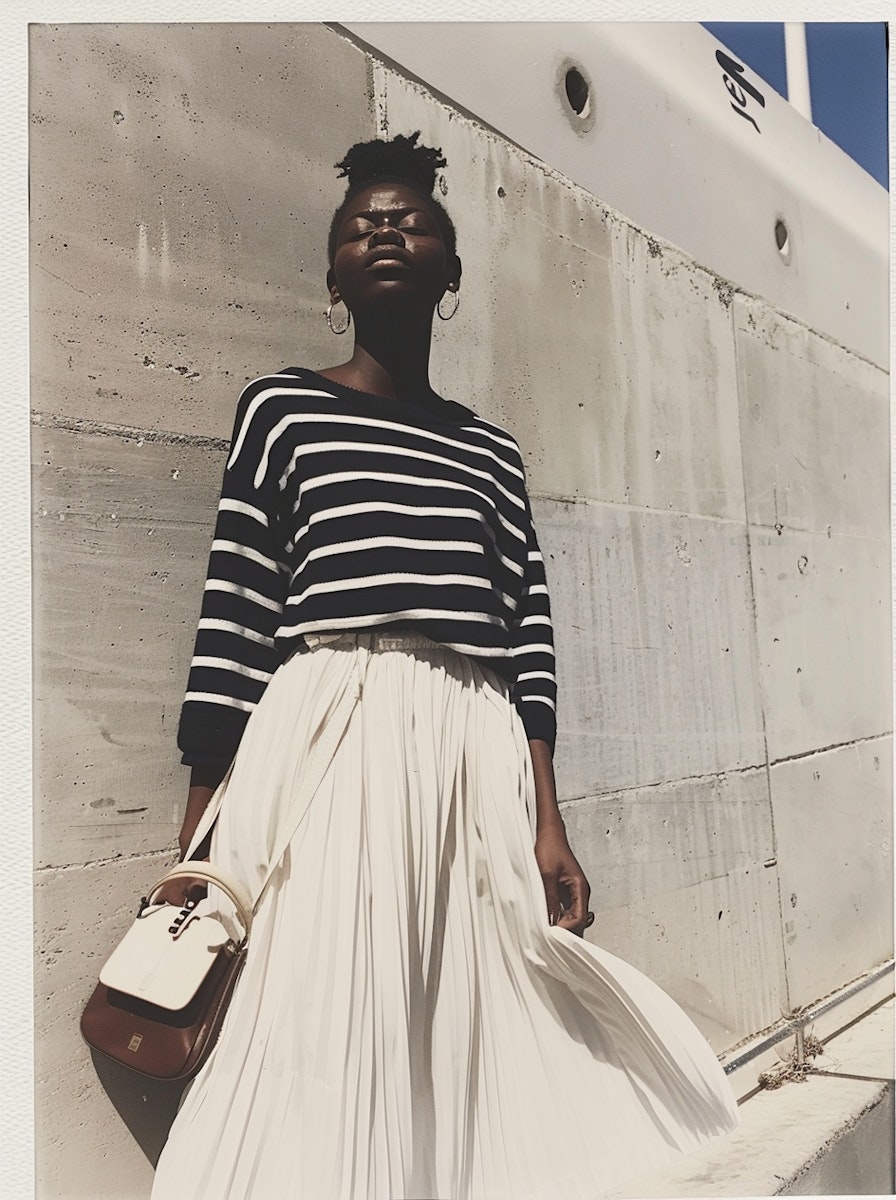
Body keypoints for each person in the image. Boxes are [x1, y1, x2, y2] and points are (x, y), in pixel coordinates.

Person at [151, 132, 737, 1200]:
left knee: (464, 1004)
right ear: (331, 272)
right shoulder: (281, 408)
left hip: (472, 742)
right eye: (359, 223)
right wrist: (199, 824)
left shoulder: (489, 451)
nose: (383, 230)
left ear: (450, 271)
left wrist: (547, 818)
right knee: (326, 998)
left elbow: (527, 637)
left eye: (409, 220)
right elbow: (235, 611)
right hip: (328, 729)